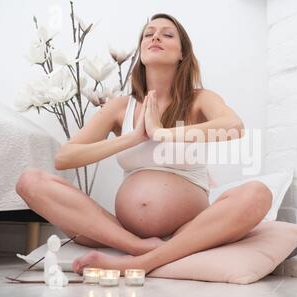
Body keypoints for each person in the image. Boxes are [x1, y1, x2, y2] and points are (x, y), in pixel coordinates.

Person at [16, 13, 273, 275]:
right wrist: (133, 137)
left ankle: (139, 262)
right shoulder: (121, 107)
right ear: (141, 51)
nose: (156, 37)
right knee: (30, 181)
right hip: (121, 232)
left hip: (189, 229)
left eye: (167, 34)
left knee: (258, 193)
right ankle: (140, 248)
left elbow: (234, 127)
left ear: (182, 53)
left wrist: (162, 133)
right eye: (149, 34)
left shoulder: (200, 99)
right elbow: (65, 157)